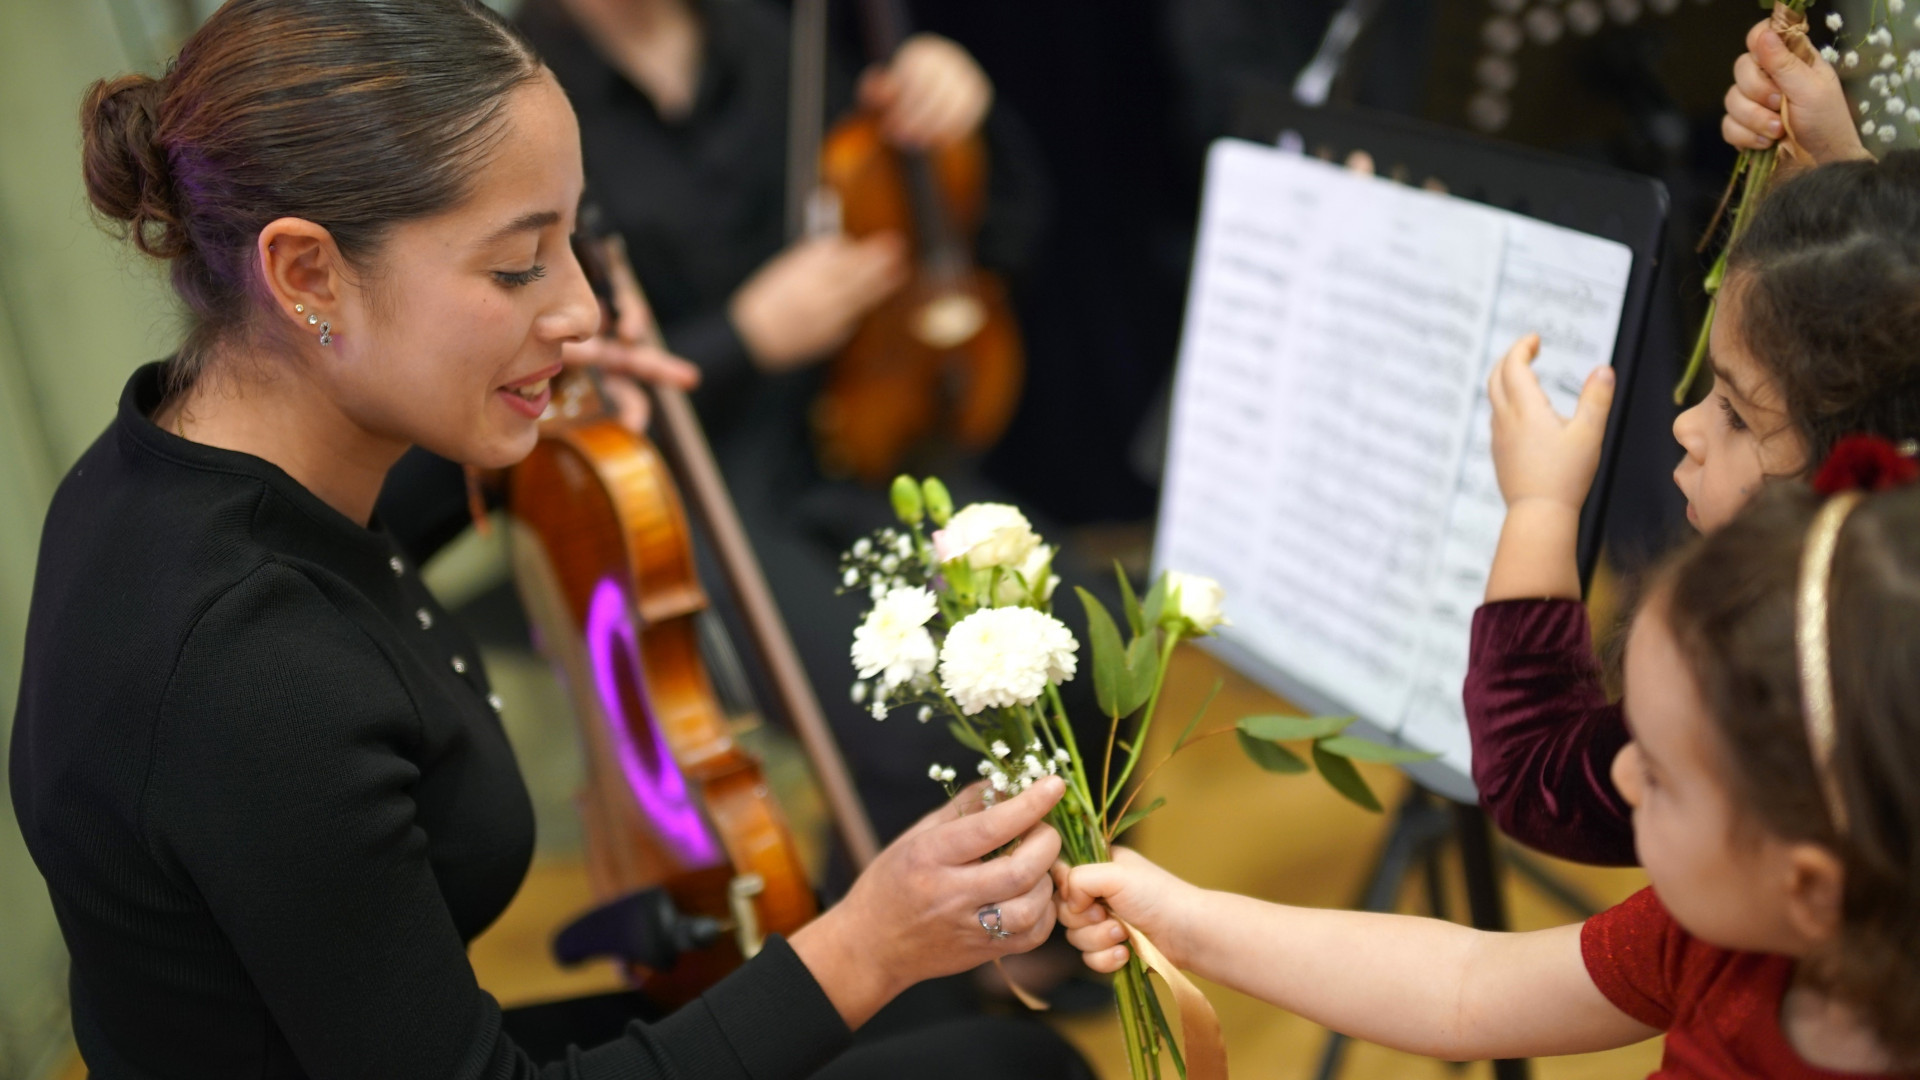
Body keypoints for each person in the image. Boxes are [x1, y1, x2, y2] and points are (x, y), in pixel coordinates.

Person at [7, 2, 1091, 1075]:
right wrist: (868, 941)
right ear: (306, 277)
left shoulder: (180, 451)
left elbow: (367, 551)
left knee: (959, 1042)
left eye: (574, 241)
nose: (579, 310)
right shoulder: (245, 666)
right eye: (519, 266)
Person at [1057, 455, 1920, 1074]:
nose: (1618, 780)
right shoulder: (1718, 930)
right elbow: (1465, 988)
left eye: (1655, 773)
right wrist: (1185, 919)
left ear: (1808, 885)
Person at [1464, 97, 1920, 865]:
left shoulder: (1772, 692)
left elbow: (1531, 771)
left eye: (1739, 416)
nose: (1684, 425)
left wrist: (1540, 507)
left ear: (1852, 467)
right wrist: (1855, 213)